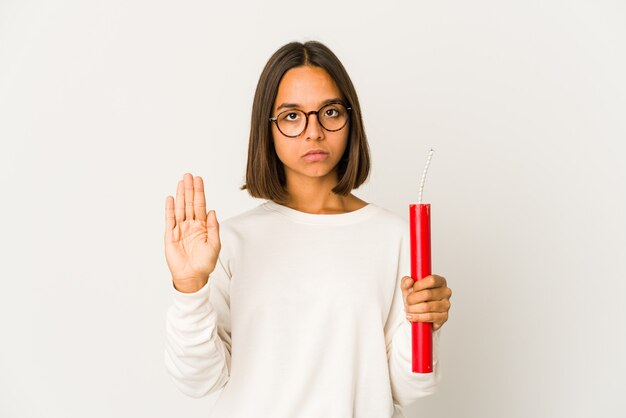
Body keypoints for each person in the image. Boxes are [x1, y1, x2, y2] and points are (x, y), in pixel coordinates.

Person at [163, 40, 452, 418]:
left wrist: (425, 326)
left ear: (351, 119)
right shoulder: (227, 243)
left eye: (330, 112)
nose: (313, 131)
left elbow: (409, 387)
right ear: (267, 128)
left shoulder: (395, 237)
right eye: (292, 116)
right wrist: (189, 289)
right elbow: (198, 380)